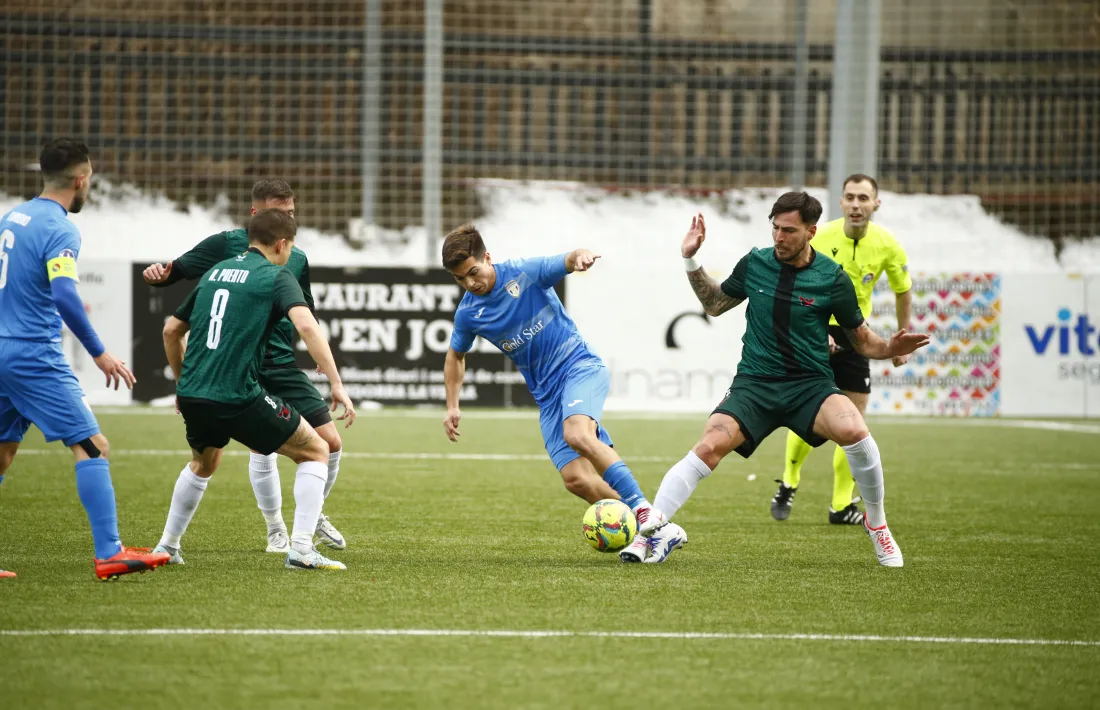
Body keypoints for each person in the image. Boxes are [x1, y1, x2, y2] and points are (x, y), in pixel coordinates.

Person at [640, 192, 928, 566]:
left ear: (811, 231)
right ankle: (656, 530)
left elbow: (862, 341)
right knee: (710, 443)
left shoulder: (832, 278)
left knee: (855, 431)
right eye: (775, 228)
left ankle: (877, 525)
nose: (778, 237)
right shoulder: (756, 263)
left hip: (809, 385)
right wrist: (690, 258)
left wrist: (891, 347)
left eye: (788, 230)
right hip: (756, 383)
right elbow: (714, 304)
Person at [440, 224, 683, 563]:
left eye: (473, 272)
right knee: (576, 480)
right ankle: (659, 531)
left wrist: (579, 257)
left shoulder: (523, 273)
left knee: (577, 435)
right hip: (548, 396)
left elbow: (565, 259)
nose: (470, 283)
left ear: (488, 258)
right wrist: (453, 406)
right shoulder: (469, 313)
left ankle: (643, 511)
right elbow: (456, 355)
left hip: (579, 366)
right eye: (460, 279)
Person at [142, 179, 346, 554]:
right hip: (238, 378)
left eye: (291, 213)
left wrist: (183, 381)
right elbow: (306, 323)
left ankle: (166, 547)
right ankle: (291, 541)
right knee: (306, 450)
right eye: (282, 217)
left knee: (207, 462)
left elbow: (172, 328)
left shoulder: (219, 272)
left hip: (215, 378)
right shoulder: (253, 261)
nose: (289, 222)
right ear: (272, 234)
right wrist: (336, 380)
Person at [0, 138, 170, 580]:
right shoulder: (60, 228)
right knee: (92, 445)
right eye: (89, 179)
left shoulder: (13, 217)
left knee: (2, 451)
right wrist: (99, 352)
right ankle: (110, 552)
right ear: (81, 179)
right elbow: (64, 295)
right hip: (33, 354)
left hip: (2, 349)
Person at [771, 174, 913, 525]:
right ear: (840, 202)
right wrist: (814, 329)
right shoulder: (821, 235)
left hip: (855, 333)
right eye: (850, 197)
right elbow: (796, 279)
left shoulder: (888, 244)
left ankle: (840, 505)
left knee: (853, 421)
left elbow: (902, 289)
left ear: (875, 204)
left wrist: (901, 338)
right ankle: (789, 483)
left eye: (863, 198)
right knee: (808, 417)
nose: (855, 204)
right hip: (813, 328)